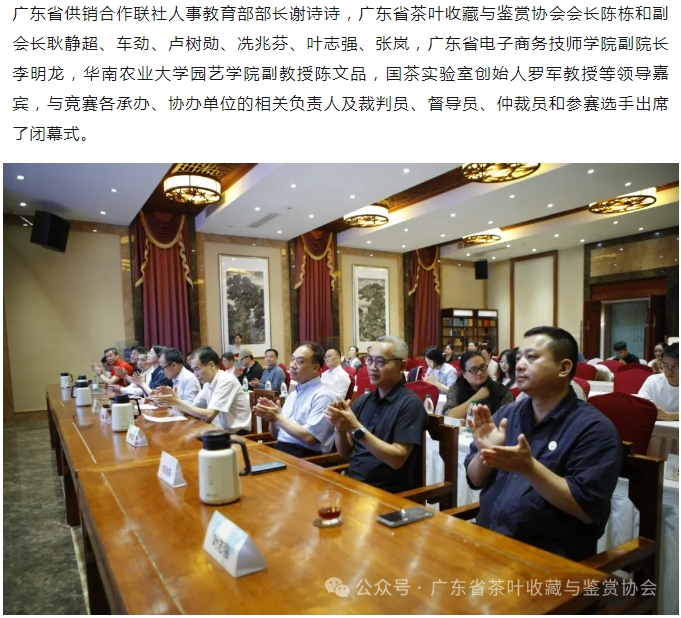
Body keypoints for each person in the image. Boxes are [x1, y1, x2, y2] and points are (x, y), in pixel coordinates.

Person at [464, 326, 622, 562]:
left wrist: (529, 468)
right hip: (487, 543)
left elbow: (587, 509)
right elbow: (475, 480)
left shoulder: (594, 429)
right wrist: (484, 454)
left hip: (547, 560)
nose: (519, 365)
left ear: (564, 367)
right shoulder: (507, 415)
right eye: (518, 357)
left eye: (532, 357)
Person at [324, 335, 427, 493]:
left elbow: (397, 459)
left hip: (386, 492)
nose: (372, 367)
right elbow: (345, 454)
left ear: (402, 366)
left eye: (380, 361)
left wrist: (356, 428)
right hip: (354, 484)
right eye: (369, 360)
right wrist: (340, 427)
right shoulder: (362, 401)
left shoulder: (410, 404)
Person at [252, 343, 335, 457]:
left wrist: (278, 417)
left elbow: (309, 438)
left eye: (300, 361)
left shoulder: (323, 396)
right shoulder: (293, 394)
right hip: (282, 449)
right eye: (292, 360)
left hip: (305, 456)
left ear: (315, 368)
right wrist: (272, 419)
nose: (292, 365)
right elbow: (276, 436)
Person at [152, 346, 251, 432]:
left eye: (197, 369)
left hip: (238, 434)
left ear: (211, 365)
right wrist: (171, 402)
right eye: (193, 370)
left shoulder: (226, 380)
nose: (195, 374)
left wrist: (176, 401)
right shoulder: (208, 383)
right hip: (218, 430)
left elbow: (209, 415)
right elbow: (191, 409)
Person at [443, 351, 514, 418]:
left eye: (482, 367)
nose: (480, 372)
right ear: (463, 373)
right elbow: (448, 415)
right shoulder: (456, 389)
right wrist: (478, 396)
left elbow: (508, 418)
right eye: (474, 369)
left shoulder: (501, 391)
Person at [637, 343, 679, 421]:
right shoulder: (653, 381)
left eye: (676, 367)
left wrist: (670, 416)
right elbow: (641, 408)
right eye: (665, 366)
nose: (669, 371)